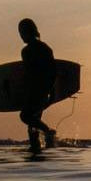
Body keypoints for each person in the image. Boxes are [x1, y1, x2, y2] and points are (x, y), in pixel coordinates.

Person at [16, 17, 59, 151]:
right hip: (37, 91)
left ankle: (48, 132)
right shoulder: (42, 48)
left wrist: (50, 91)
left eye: (24, 32)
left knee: (25, 116)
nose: (22, 36)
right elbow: (51, 72)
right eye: (20, 33)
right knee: (32, 127)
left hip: (39, 91)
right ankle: (43, 148)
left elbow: (51, 71)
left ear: (31, 31)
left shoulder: (36, 50)